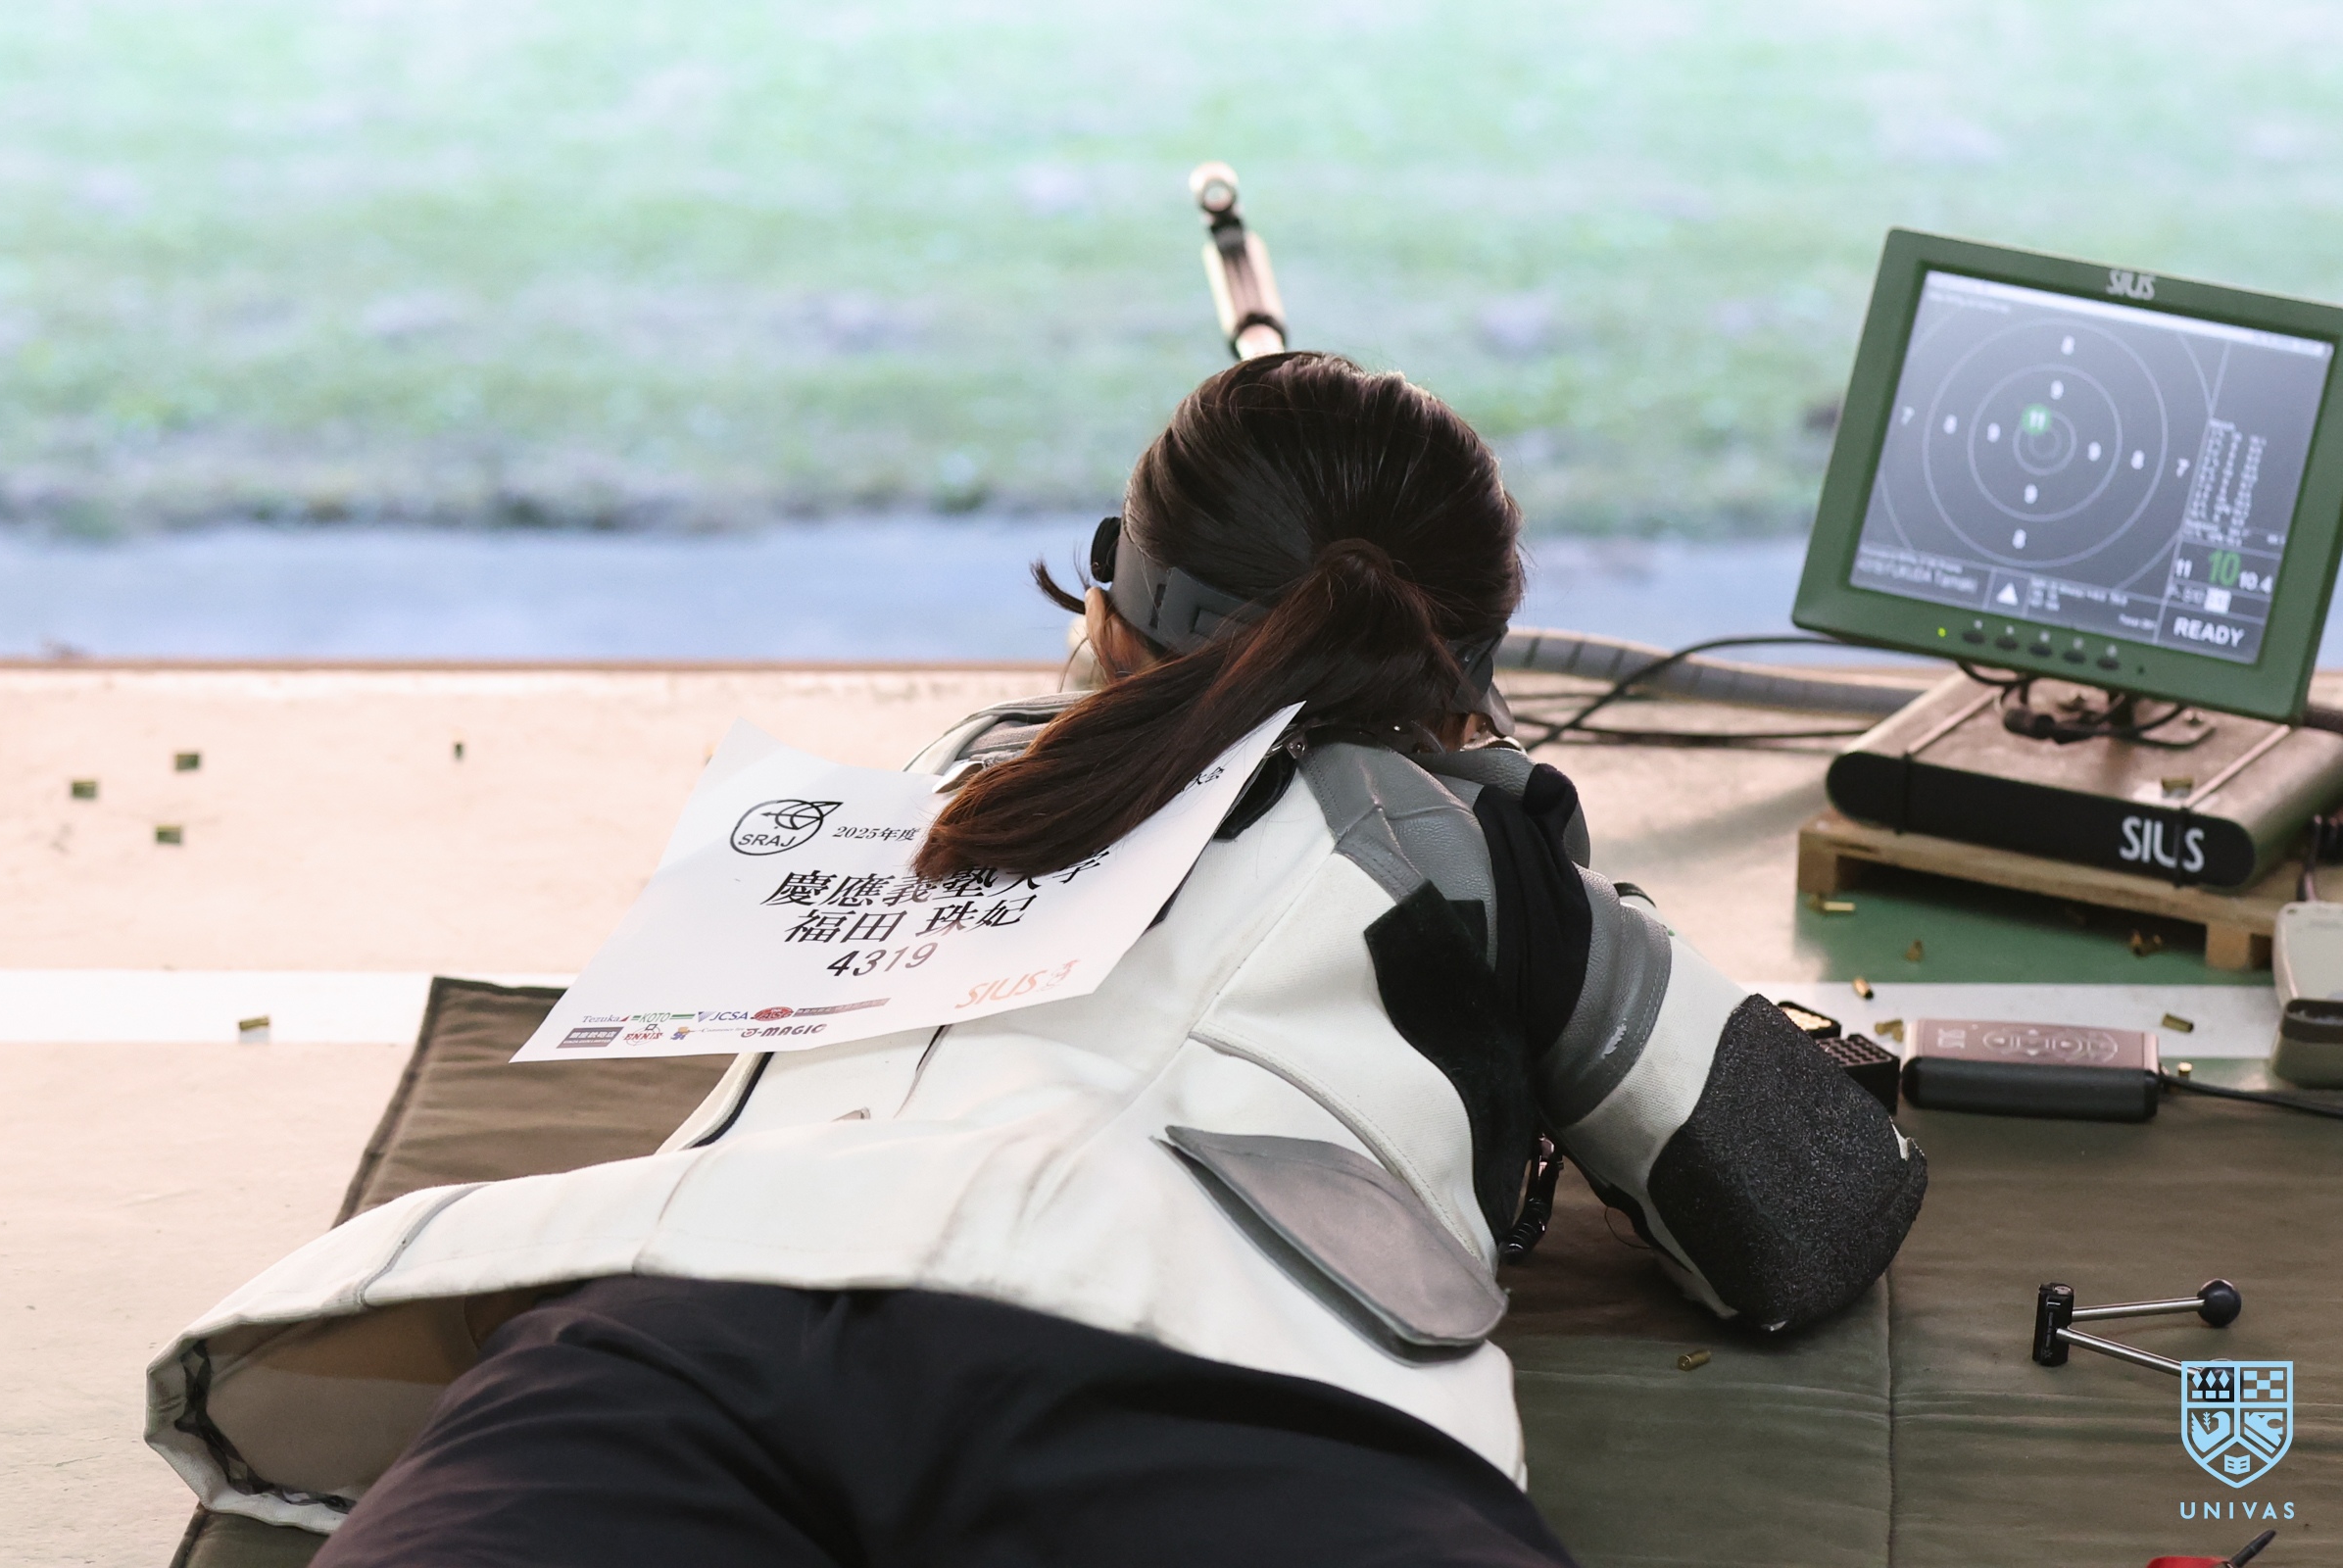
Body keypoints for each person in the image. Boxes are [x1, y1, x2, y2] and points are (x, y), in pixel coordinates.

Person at [145, 352, 1926, 1567]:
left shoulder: (960, 776)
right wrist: (1536, 859)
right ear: (1463, 664)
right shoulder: (1479, 857)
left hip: (704, 1318)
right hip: (1224, 1366)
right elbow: (1814, 1201)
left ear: (1107, 598)